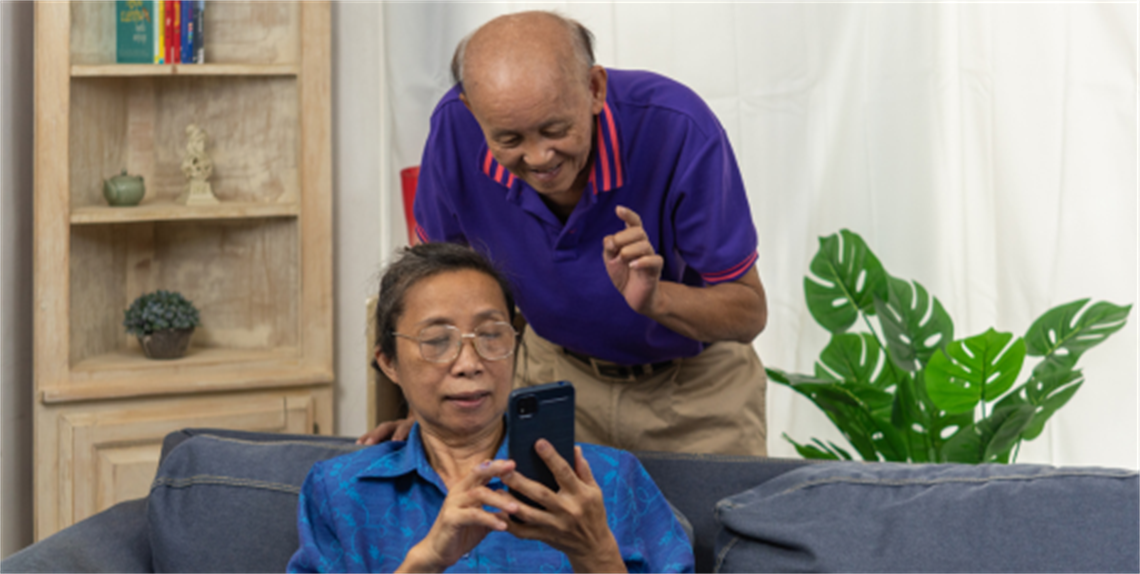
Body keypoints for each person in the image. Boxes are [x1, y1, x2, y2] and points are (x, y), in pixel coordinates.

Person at [361, 10, 768, 456]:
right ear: (473, 111)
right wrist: (423, 415)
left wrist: (657, 299)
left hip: (695, 390)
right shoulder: (455, 131)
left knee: (710, 525)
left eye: (555, 130)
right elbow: (435, 294)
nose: (538, 158)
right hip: (552, 375)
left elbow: (749, 313)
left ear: (594, 89)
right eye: (510, 141)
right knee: (531, 525)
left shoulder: (678, 126)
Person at [290, 243, 693, 573]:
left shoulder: (610, 482)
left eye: (491, 335)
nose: (469, 364)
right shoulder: (339, 491)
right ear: (389, 362)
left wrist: (597, 556)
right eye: (437, 341)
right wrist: (424, 562)